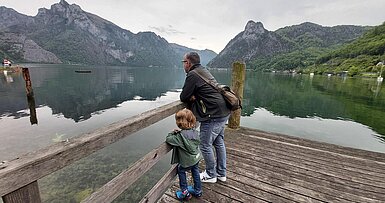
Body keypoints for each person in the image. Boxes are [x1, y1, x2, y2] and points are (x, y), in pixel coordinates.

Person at [180, 52, 231, 183]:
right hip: (224, 110)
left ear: (189, 63)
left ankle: (210, 174)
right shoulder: (203, 71)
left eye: (183, 62)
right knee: (218, 142)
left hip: (213, 115)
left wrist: (192, 97)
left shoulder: (192, 74)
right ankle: (221, 173)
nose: (183, 65)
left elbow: (183, 96)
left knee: (205, 145)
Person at [166, 108, 202, 201]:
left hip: (187, 162)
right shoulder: (195, 132)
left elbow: (169, 139)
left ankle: (185, 193)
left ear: (179, 123)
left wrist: (172, 133)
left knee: (181, 170)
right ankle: (198, 191)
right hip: (196, 158)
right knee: (196, 171)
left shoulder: (179, 137)